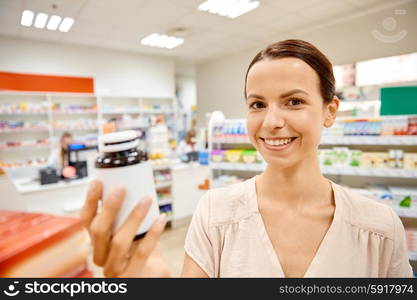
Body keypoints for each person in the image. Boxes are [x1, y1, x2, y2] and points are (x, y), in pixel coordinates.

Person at [81, 40, 413, 278]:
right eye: (257, 104)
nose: (271, 122)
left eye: (294, 101)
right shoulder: (215, 213)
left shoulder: (379, 228)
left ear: (330, 111)